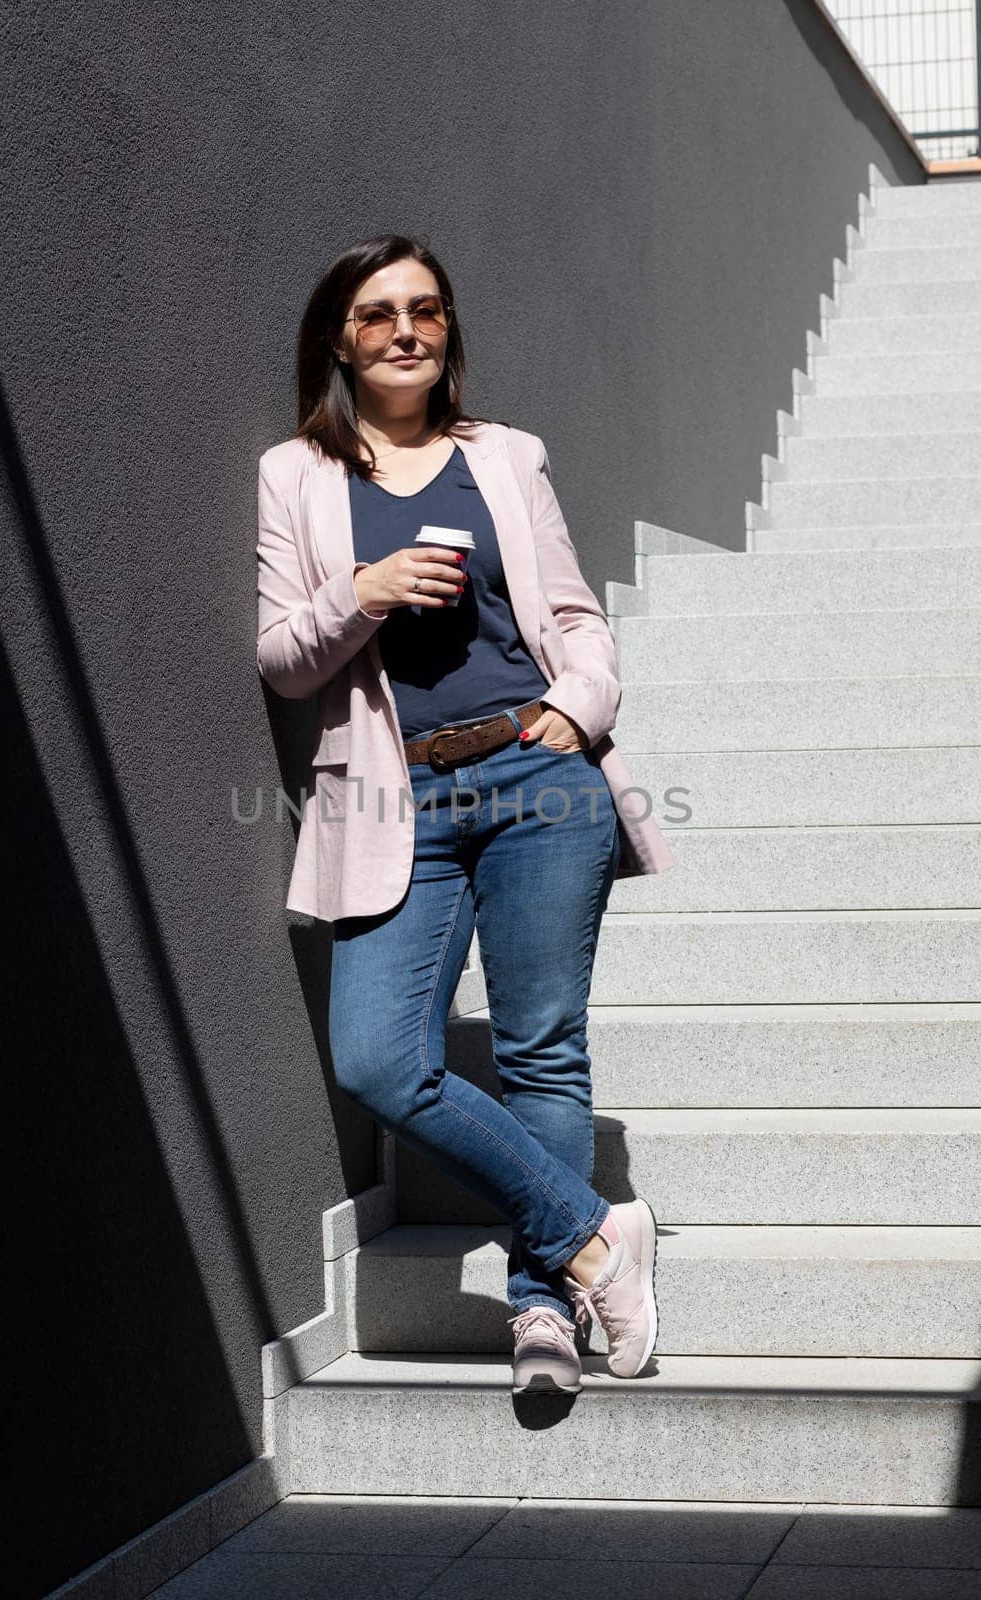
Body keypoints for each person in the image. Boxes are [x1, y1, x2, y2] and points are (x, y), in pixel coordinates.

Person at [256, 234, 678, 1394]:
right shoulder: (294, 476)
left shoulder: (503, 458)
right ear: (339, 340)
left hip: (537, 775)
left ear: (447, 332)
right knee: (381, 1061)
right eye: (379, 312)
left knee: (541, 1051)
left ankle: (542, 1308)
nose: (405, 328)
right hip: (396, 799)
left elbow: (576, 617)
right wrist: (364, 591)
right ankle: (597, 1236)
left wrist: (573, 709)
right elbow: (284, 659)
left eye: (426, 309)